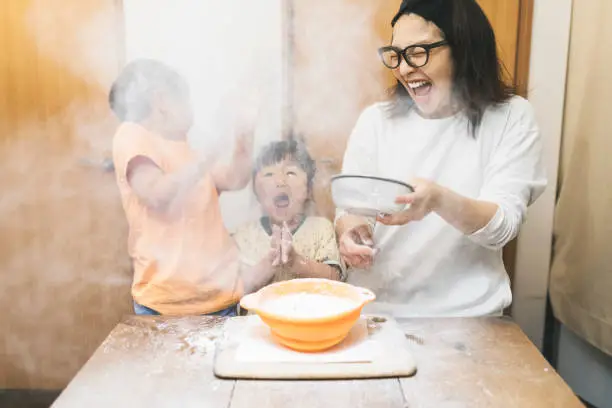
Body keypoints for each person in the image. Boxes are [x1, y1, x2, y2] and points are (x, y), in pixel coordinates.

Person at [335, 0, 547, 318]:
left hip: (468, 317)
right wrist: (350, 232)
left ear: (463, 48)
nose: (404, 68)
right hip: (376, 311)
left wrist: (438, 200)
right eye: (396, 55)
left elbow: (501, 228)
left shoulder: (510, 117)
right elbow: (352, 209)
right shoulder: (376, 120)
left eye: (418, 52)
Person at [110, 59, 276, 316]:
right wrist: (212, 151)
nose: (191, 109)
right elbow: (157, 194)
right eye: (185, 100)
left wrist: (245, 130)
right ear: (162, 101)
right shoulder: (132, 135)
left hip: (222, 298)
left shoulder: (188, 149)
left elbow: (235, 178)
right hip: (165, 307)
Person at [233, 140, 345, 287]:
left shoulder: (321, 228)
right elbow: (236, 289)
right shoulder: (244, 235)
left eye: (291, 173)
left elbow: (335, 279)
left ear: (309, 190)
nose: (280, 181)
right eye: (268, 174)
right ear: (256, 193)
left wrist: (296, 262)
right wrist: (268, 264)